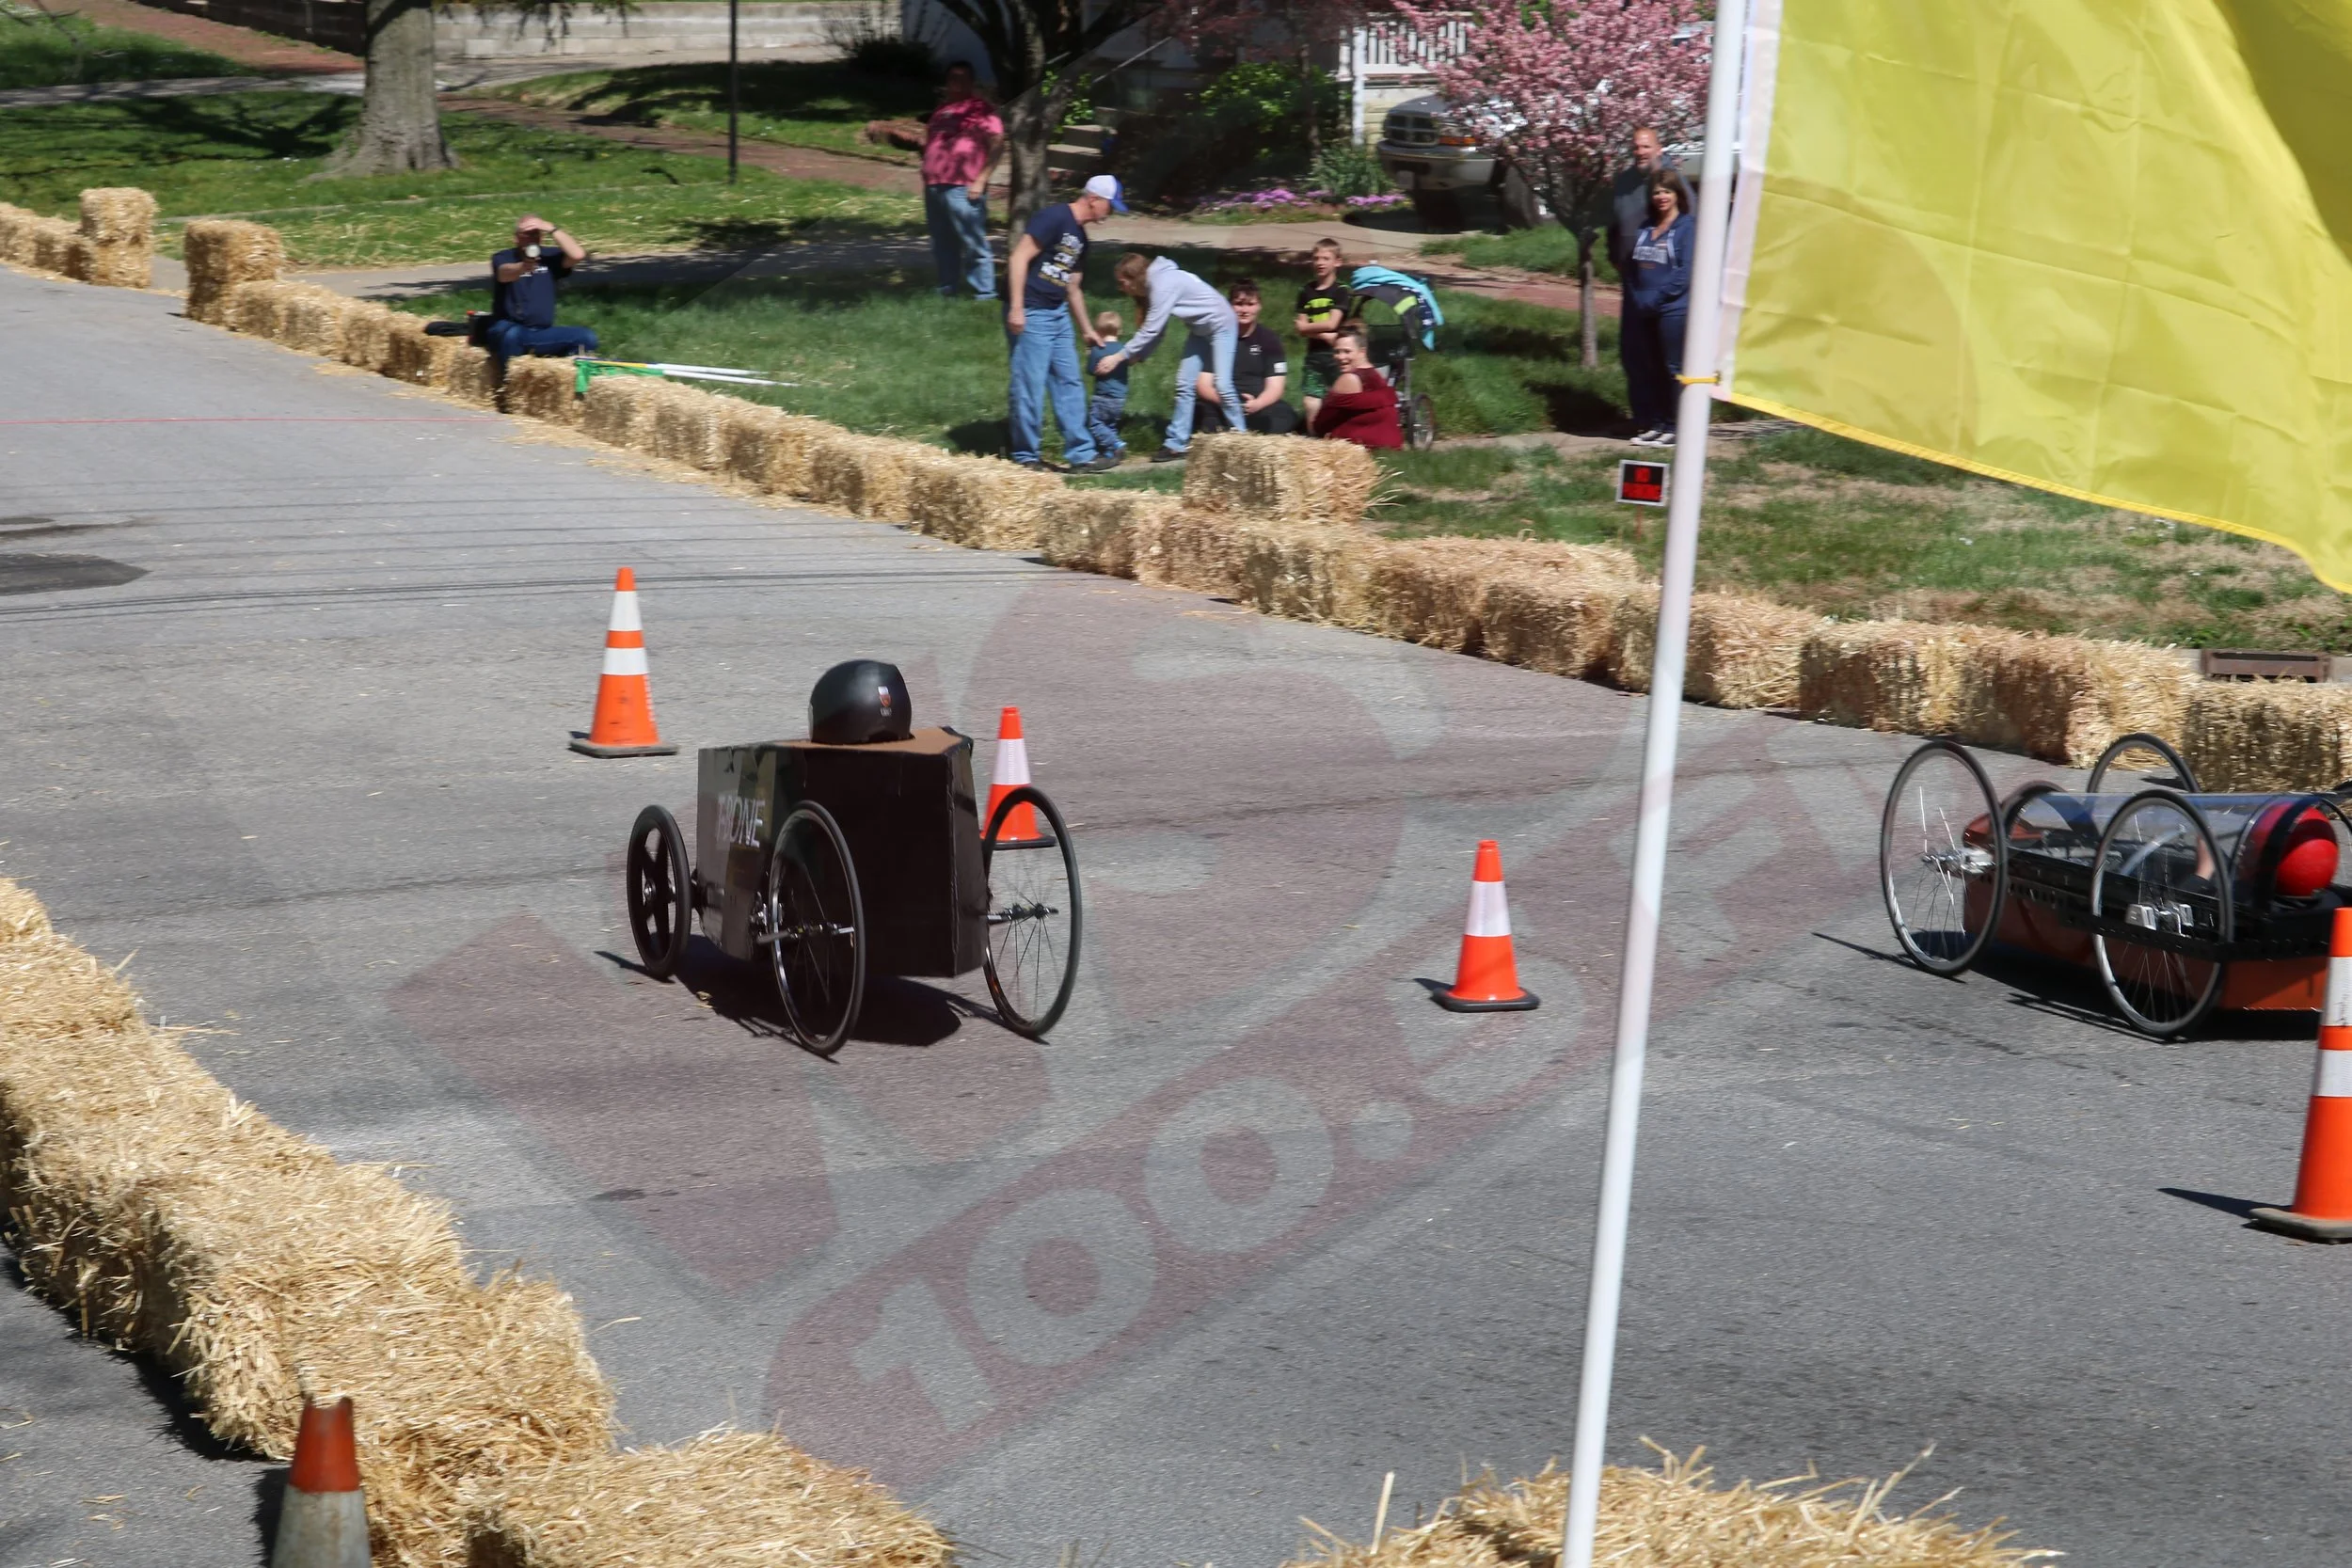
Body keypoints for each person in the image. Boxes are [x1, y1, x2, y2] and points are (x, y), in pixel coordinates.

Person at [1004, 174, 1126, 472]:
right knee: (1030, 384)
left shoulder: (1081, 238)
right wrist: (1017, 308)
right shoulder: (1054, 217)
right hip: (1031, 309)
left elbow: (1073, 287)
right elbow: (1018, 258)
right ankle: (1026, 456)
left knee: (1069, 381)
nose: (1110, 212)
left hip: (1057, 312)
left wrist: (1086, 329)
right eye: (1110, 206)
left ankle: (1081, 454)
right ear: (1094, 199)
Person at [1095, 251, 1245, 463]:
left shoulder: (1162, 285)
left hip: (1222, 325)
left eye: (1122, 282)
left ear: (1134, 278)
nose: (1121, 288)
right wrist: (1139, 355)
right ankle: (1177, 444)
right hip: (1200, 330)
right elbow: (1159, 330)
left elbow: (1151, 330)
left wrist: (1118, 357)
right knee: (1184, 384)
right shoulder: (1157, 283)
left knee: (1223, 384)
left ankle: (1243, 441)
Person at [1620, 167, 1696, 447]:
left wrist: (1658, 298)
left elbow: (1685, 272)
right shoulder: (1646, 227)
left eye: (1667, 191)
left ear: (1677, 194)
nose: (1661, 196)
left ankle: (1676, 425)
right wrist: (1636, 296)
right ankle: (1658, 423)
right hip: (1643, 309)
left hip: (1672, 310)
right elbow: (1632, 266)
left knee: (1672, 367)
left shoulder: (1687, 227)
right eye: (1656, 192)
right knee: (1650, 368)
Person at [1608, 127, 1677, 435]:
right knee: (1634, 353)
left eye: (1646, 147)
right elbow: (1614, 223)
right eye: (1636, 147)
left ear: (1659, 149)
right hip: (1633, 279)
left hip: (1662, 280)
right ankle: (1643, 418)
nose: (1640, 152)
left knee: (1661, 354)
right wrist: (1614, 254)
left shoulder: (1670, 181)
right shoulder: (1624, 182)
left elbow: (1688, 225)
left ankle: (1668, 421)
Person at [920, 61, 1001, 301]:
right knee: (942, 241)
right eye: (953, 78)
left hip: (964, 186)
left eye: (963, 78)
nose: (957, 82)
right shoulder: (941, 111)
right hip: (935, 185)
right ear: (946, 82)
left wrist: (981, 180)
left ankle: (985, 292)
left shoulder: (981, 110)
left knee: (973, 240)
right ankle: (947, 288)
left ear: (971, 82)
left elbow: (997, 145)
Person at [1188, 280, 1300, 436]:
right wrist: (1228, 403)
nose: (1244, 310)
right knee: (1199, 414)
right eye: (1239, 304)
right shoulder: (1215, 338)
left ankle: (1248, 436)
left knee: (1286, 416)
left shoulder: (1270, 340)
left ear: (1259, 306)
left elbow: (1276, 386)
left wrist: (1258, 404)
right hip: (1221, 403)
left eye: (1250, 304)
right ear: (1229, 306)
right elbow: (1203, 384)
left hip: (1258, 405)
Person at [485, 214, 596, 368]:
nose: (532, 238)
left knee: (587, 337)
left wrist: (551, 228)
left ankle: (562, 373)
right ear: (516, 238)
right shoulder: (503, 257)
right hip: (510, 329)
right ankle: (511, 379)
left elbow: (577, 255)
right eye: (527, 234)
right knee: (512, 336)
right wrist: (523, 267)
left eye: (536, 233)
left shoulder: (549, 257)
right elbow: (504, 273)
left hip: (542, 332)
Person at [1310, 324, 1403, 449]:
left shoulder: (1349, 379)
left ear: (1362, 352)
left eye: (1347, 351)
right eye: (1337, 351)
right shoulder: (1375, 375)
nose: (1340, 357)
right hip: (1390, 442)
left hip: (1360, 445)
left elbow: (1321, 425)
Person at [1293, 237, 1351, 423]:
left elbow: (1332, 323)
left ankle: (1340, 432)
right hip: (1314, 354)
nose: (1320, 263)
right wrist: (1325, 336)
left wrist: (1307, 328)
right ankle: (1315, 435)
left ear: (1337, 262)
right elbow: (1300, 328)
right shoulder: (1306, 291)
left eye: (1326, 258)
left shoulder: (1341, 291)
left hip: (1338, 355)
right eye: (1316, 258)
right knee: (1311, 398)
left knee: (1340, 396)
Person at [1086, 309, 1130, 461]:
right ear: (1120, 330)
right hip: (1119, 397)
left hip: (1103, 397)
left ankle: (1116, 444)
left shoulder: (1098, 350)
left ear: (1098, 331)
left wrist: (1089, 353)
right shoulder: (1123, 350)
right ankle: (1110, 453)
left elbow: (1091, 370)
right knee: (1110, 425)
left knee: (1095, 424)